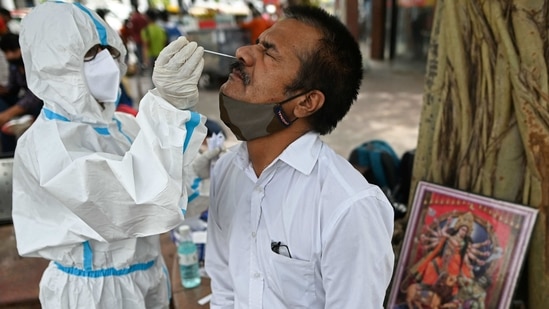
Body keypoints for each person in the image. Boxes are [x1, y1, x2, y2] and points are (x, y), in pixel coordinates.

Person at [12, 1, 207, 308]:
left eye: (111, 51)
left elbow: (166, 200)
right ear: (54, 64)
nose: (106, 63)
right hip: (94, 292)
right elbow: (129, 205)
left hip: (149, 278)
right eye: (90, 54)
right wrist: (167, 109)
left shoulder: (124, 126)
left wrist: (198, 173)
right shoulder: (47, 144)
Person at [205, 5, 395, 308]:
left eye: (269, 52)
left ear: (306, 102)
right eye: (258, 42)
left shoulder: (347, 207)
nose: (243, 52)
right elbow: (225, 289)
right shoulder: (227, 170)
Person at [0, 32, 42, 152]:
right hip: (25, 101)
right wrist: (3, 90)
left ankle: (27, 120)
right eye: (7, 52)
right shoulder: (14, 66)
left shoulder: (35, 63)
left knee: (37, 105)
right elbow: (13, 89)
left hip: (39, 102)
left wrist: (8, 114)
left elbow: (34, 96)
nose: (10, 55)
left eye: (13, 51)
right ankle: (9, 153)